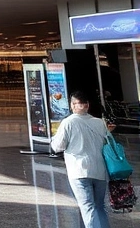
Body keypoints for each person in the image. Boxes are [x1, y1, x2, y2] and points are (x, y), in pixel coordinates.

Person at [51, 91, 112, 228]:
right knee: (100, 207)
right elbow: (106, 142)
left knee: (87, 207)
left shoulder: (68, 122)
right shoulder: (99, 123)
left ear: (72, 105)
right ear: (88, 106)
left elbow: (58, 146)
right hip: (100, 170)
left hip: (79, 171)